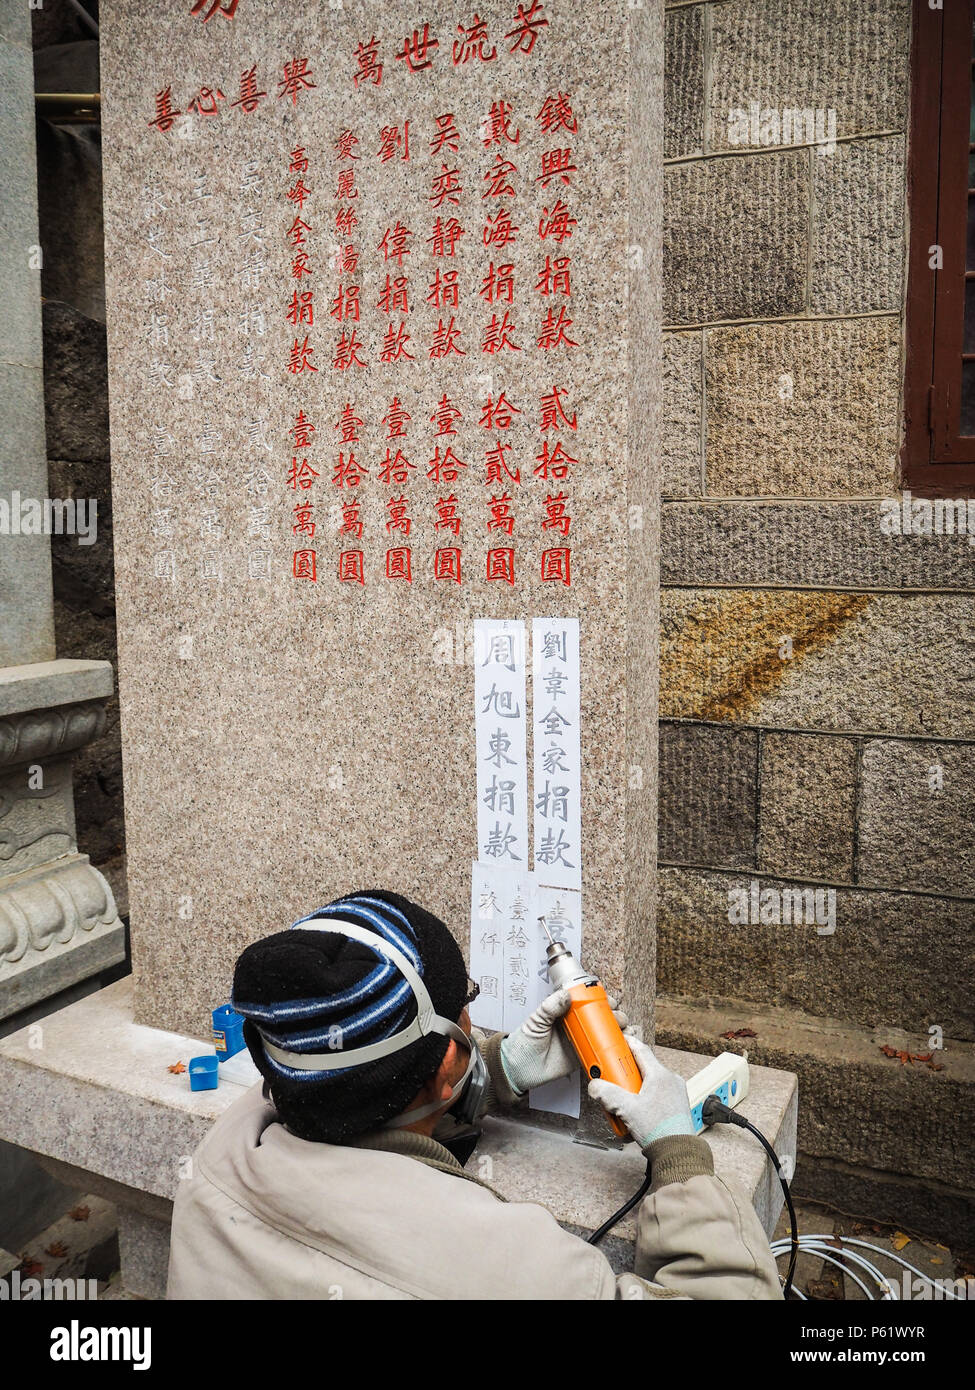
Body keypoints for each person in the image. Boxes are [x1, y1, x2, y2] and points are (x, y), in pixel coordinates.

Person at [167, 890, 782, 1300]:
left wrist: (492, 1071)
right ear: (444, 1064)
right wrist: (679, 1156)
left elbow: (343, 1079)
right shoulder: (519, 1272)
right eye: (468, 998)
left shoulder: (220, 1156)